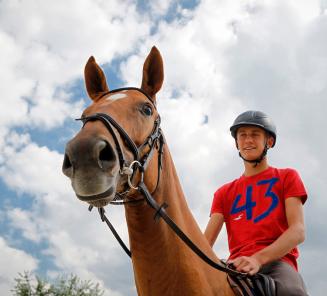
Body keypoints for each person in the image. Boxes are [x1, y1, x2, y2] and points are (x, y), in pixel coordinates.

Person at [204, 110, 308, 295]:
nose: (248, 140)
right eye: (242, 135)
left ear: (269, 142)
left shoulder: (287, 177)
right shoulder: (223, 193)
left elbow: (298, 231)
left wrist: (258, 259)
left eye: (255, 135)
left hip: (277, 263)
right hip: (234, 266)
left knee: (291, 291)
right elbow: (204, 244)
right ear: (237, 143)